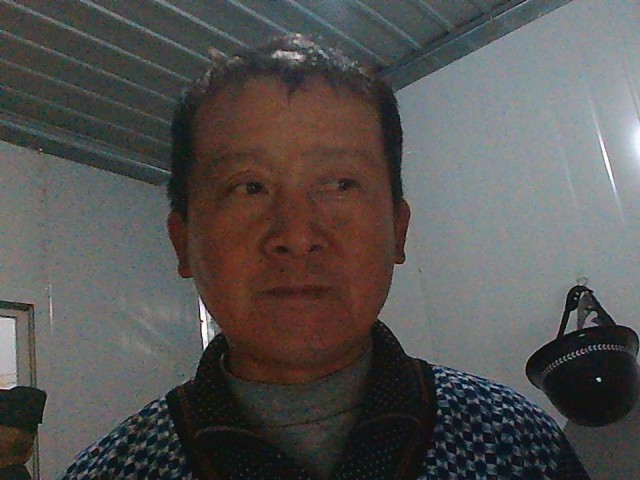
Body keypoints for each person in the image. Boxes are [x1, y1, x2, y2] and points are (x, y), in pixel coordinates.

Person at [60, 34, 590, 479]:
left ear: (398, 230)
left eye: (339, 184)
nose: (296, 235)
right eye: (249, 187)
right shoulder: (111, 471)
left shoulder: (518, 447)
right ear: (183, 243)